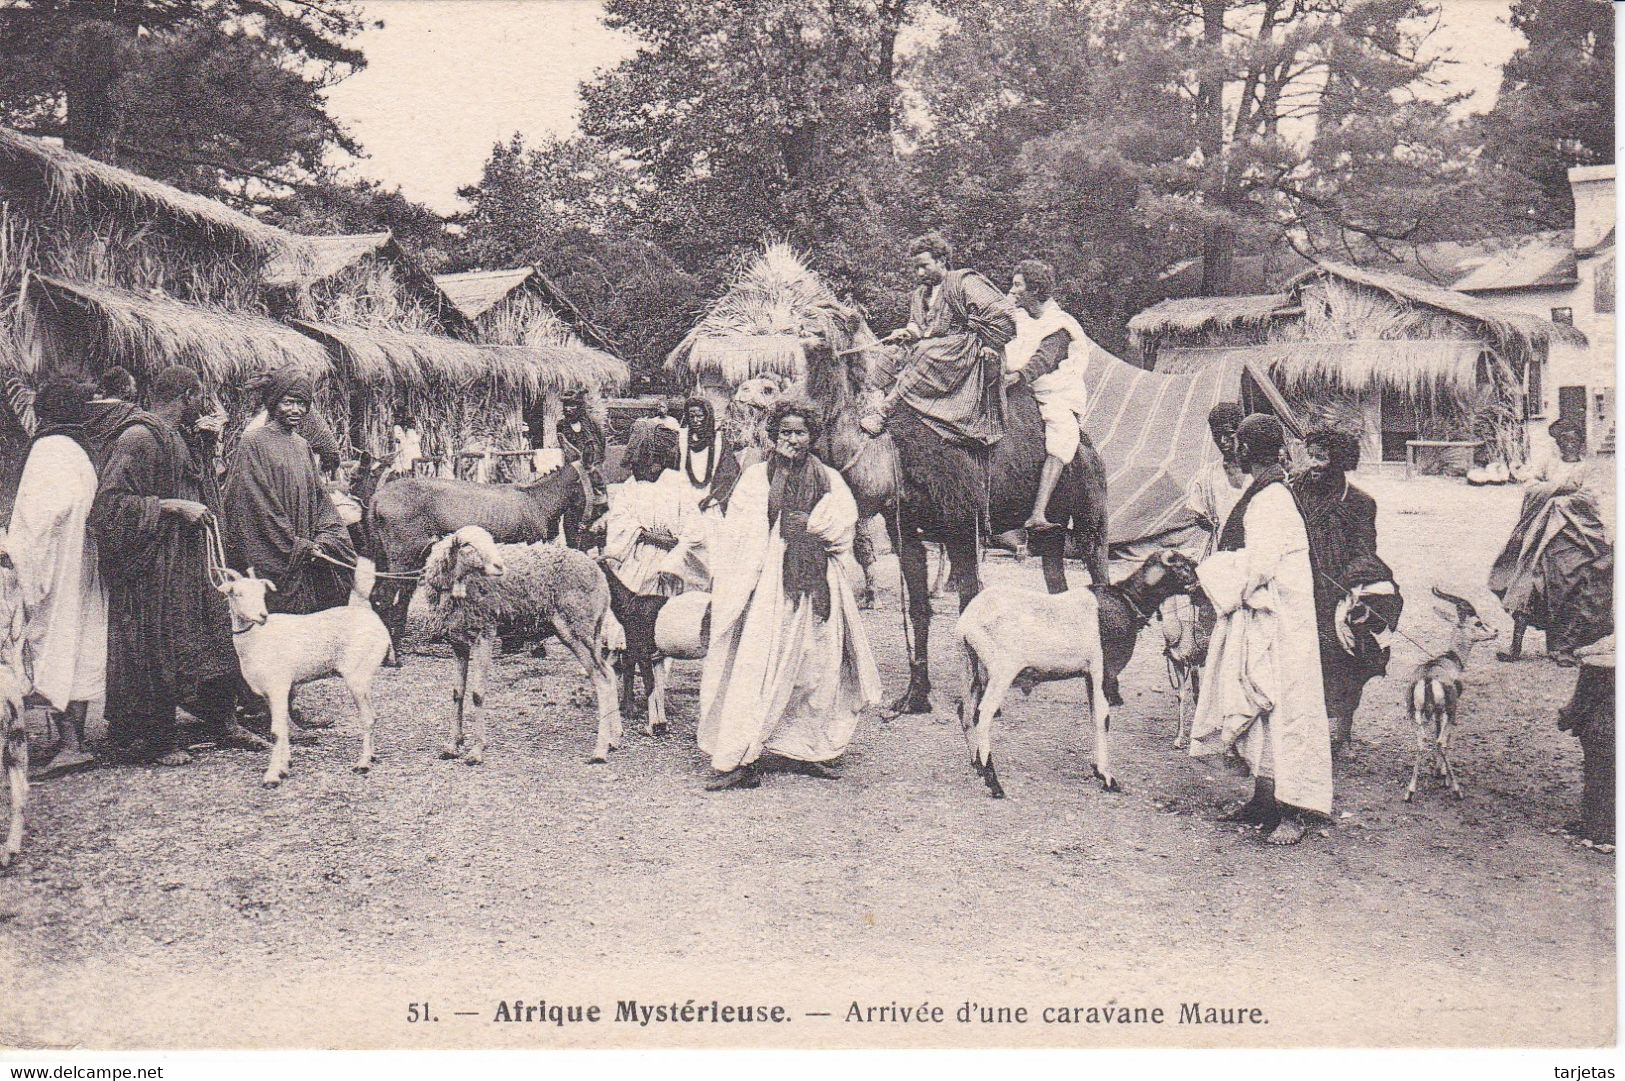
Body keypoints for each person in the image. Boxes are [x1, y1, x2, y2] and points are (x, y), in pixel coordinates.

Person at [698, 400, 882, 791]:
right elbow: (740, 532)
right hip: (769, 585)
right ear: (774, 435)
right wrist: (784, 529)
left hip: (817, 583)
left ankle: (804, 748)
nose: (792, 440)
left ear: (812, 437)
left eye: (800, 433)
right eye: (785, 432)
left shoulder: (829, 477)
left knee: (815, 665)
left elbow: (843, 526)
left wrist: (811, 526)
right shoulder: (755, 478)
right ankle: (741, 756)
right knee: (758, 668)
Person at [90, 366, 268, 765]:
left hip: (188, 561)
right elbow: (108, 507)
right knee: (157, 646)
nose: (204, 405)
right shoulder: (139, 437)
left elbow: (198, 487)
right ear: (187, 396)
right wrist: (171, 506)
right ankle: (155, 739)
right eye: (200, 397)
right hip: (154, 567)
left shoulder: (178, 438)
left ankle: (220, 720)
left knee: (210, 633)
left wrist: (205, 449)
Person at [1188, 413, 1332, 846]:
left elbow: (1260, 566)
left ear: (1249, 450)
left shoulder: (1270, 498)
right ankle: (1263, 799)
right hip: (1268, 614)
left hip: (1284, 620)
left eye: (1240, 443)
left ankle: (1296, 811)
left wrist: (1209, 576)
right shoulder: (1267, 491)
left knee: (1288, 708)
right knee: (1266, 709)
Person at [8, 377, 106, 778]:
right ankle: (73, 740)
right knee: (79, 642)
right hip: (82, 561)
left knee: (56, 644)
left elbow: (37, 520)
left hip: (57, 565)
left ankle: (69, 743)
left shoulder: (47, 452)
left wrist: (19, 561)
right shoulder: (80, 452)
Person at [1291, 427, 1403, 751]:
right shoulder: (1291, 495)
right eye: (1309, 455)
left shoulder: (1359, 503)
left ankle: (1343, 730)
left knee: (1345, 660)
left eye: (1321, 458)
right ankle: (1302, 729)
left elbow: (1365, 551)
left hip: (1339, 592)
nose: (1312, 464)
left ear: (1338, 461)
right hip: (1299, 588)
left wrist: (1349, 585)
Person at [859, 232, 1017, 446]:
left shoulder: (962, 281)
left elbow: (1002, 314)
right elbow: (918, 325)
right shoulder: (920, 294)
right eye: (916, 268)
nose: (919, 272)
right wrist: (907, 332)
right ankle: (872, 401)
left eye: (924, 266)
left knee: (925, 351)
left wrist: (987, 341)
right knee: (891, 352)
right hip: (933, 348)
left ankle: (885, 411)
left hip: (964, 350)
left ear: (941, 261)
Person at [224, 370, 356, 616]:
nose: (295, 410)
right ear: (274, 403)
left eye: (301, 404)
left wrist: (326, 539)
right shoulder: (252, 443)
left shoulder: (302, 445)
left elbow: (319, 499)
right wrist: (295, 546)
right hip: (270, 551)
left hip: (302, 550)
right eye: (288, 402)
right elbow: (256, 505)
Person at [1489, 420, 1613, 666]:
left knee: (1574, 585)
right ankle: (1516, 646)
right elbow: (1531, 488)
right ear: (1558, 443)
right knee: (1528, 586)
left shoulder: (1586, 469)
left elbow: (1589, 497)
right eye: (1565, 440)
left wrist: (1557, 498)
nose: (1570, 445)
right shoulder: (1549, 464)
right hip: (1543, 536)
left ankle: (1564, 646)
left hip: (1576, 536)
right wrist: (1560, 489)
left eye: (1574, 440)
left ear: (1580, 442)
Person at [1001, 259, 1101, 532]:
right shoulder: (1021, 317)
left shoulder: (1059, 325)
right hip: (1021, 387)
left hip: (1055, 391)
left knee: (1062, 437)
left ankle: (1039, 512)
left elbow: (1042, 360)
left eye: (1018, 285)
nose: (1012, 290)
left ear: (1035, 290)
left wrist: (1018, 376)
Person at [603, 422, 707, 595]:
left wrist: (677, 547)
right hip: (636, 558)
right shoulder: (630, 486)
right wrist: (650, 536)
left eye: (646, 464)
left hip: (672, 561)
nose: (639, 471)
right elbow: (619, 523)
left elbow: (694, 529)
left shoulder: (677, 485)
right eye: (636, 466)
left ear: (660, 460)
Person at [1186, 402, 1247, 557]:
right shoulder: (1207, 475)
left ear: (1241, 432)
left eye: (1228, 434)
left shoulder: (1258, 470)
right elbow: (1198, 513)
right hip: (1223, 553)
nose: (1222, 441)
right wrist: (1207, 520)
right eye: (1216, 434)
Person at [81, 366, 139, 475]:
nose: (135, 390)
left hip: (86, 468)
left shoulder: (85, 409)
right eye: (133, 386)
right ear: (125, 388)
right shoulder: (130, 411)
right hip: (110, 472)